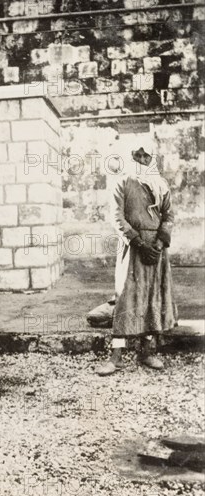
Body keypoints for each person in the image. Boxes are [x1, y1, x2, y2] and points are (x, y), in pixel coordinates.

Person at [97, 143, 177, 376]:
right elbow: (117, 217)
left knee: (152, 297)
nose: (141, 158)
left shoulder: (161, 185)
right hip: (133, 248)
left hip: (156, 250)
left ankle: (147, 351)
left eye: (146, 155)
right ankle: (116, 356)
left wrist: (160, 243)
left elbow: (169, 216)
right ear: (130, 157)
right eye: (137, 154)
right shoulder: (121, 183)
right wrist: (138, 243)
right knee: (126, 298)